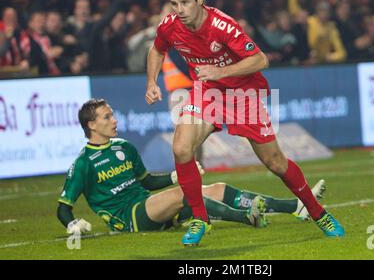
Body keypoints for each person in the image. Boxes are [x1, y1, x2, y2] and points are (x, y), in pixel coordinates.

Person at [145, 0, 344, 246]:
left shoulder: (223, 25)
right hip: (208, 92)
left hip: (242, 94)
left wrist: (218, 70)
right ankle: (200, 220)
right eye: (175, 4)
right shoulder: (170, 25)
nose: (179, 10)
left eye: (185, 3)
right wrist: (151, 82)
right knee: (180, 148)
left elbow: (261, 60)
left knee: (275, 162)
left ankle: (317, 212)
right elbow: (157, 49)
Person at [56, 99, 326, 237]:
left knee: (217, 188)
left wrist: (174, 175)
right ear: (91, 125)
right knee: (184, 192)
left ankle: (296, 207)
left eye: (112, 114)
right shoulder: (84, 163)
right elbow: (62, 207)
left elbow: (147, 182)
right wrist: (72, 224)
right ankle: (245, 217)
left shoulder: (123, 147)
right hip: (129, 219)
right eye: (107, 117)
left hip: (149, 206)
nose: (114, 120)